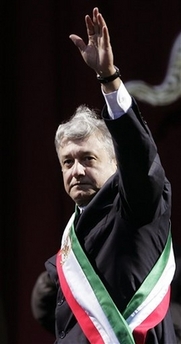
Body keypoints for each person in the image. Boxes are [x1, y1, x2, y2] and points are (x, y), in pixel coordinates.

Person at [31, 7, 176, 344]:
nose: (76, 170)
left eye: (88, 158)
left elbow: (140, 159)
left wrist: (109, 78)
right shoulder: (71, 242)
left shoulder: (137, 209)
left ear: (115, 164)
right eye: (67, 163)